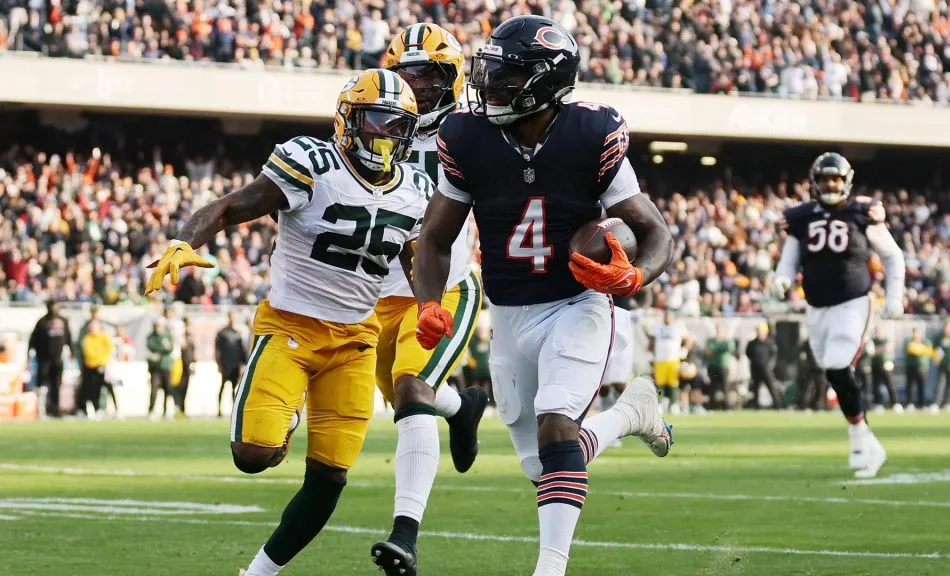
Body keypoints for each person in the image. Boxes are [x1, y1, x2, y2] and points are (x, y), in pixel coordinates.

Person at [410, 16, 673, 576]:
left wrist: (633, 276)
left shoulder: (590, 135)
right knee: (544, 464)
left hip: (575, 303)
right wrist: (427, 304)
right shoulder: (467, 137)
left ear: (545, 82)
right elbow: (434, 237)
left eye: (505, 78)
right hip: (508, 310)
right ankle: (629, 415)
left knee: (557, 425)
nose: (489, 87)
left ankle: (549, 568)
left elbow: (652, 232)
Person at [144, 69, 427, 576]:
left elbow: (417, 260)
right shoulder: (311, 161)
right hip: (293, 326)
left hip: (357, 339)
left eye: (397, 124)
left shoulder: (417, 189)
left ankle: (257, 574)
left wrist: (429, 303)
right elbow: (233, 207)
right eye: (377, 120)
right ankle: (286, 417)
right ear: (348, 119)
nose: (386, 133)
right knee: (252, 455)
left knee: (329, 477)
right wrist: (183, 241)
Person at [370, 25, 491, 573]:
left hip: (444, 285)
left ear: (454, 77)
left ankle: (405, 535)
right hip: (378, 294)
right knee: (405, 397)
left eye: (428, 75)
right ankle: (463, 409)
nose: (416, 87)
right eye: (407, 75)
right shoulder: (371, 122)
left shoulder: (473, 131)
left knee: (412, 389)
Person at [772, 152, 905, 479]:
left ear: (845, 181)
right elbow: (790, 259)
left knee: (836, 364)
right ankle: (867, 440)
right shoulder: (800, 218)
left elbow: (892, 256)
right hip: (816, 308)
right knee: (833, 370)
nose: (831, 184)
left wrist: (895, 295)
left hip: (854, 302)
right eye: (826, 178)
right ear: (816, 182)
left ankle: (860, 441)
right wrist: (782, 278)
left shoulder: (862, 213)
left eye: (836, 178)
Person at [28, 299, 72, 417]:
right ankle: (41, 409)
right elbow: (33, 340)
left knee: (56, 385)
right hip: (44, 359)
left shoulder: (63, 321)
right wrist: (30, 354)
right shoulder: (42, 322)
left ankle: (55, 408)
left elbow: (69, 338)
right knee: (42, 385)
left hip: (58, 359)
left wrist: (71, 352)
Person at [650, 310, 686, 413]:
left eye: (669, 316)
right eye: (666, 316)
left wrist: (685, 351)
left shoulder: (678, 325)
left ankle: (674, 404)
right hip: (660, 359)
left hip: (673, 359)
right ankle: (660, 404)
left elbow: (687, 339)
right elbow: (652, 340)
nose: (667, 318)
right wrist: (651, 354)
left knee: (673, 383)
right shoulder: (657, 325)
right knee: (660, 383)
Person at [215, 311, 248, 417]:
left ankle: (234, 411)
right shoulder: (222, 333)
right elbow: (217, 350)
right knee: (222, 387)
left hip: (235, 365)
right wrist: (218, 364)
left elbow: (241, 350)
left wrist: (243, 364)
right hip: (225, 364)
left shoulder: (237, 333)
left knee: (234, 389)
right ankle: (219, 410)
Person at [78, 319, 113, 417]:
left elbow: (108, 350)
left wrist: (102, 362)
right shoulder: (87, 338)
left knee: (101, 390)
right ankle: (86, 410)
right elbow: (88, 353)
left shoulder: (104, 337)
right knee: (88, 390)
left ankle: (102, 409)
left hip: (102, 367)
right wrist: (99, 359)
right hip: (90, 367)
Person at [745, 323, 780, 410]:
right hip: (755, 369)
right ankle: (756, 407)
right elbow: (748, 353)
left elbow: (773, 355)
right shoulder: (752, 343)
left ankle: (777, 406)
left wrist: (770, 365)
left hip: (766, 369)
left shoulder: (769, 343)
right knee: (755, 388)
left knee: (771, 387)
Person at [146, 318, 175, 419]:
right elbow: (152, 347)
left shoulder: (167, 336)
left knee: (168, 389)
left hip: (166, 366)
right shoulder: (151, 336)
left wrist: (162, 350)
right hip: (155, 367)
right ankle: (151, 410)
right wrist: (163, 348)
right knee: (154, 389)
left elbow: (170, 348)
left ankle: (166, 411)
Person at [868, 326, 900, 412]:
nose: (878, 333)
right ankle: (879, 404)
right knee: (876, 386)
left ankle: (895, 403)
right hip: (876, 366)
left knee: (891, 385)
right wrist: (882, 349)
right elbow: (872, 352)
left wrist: (878, 350)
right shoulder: (873, 341)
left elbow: (889, 348)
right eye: (876, 331)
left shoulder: (886, 339)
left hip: (886, 365)